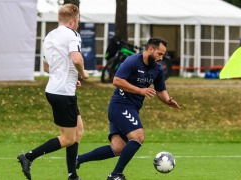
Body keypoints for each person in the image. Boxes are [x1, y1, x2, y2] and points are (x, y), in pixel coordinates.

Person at [75, 37, 180, 180]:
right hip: (120, 105)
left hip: (131, 109)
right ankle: (115, 175)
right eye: (159, 54)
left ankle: (78, 159)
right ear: (150, 50)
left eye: (163, 55)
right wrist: (140, 90)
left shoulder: (158, 69)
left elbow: (160, 90)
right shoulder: (132, 61)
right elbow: (116, 81)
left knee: (118, 148)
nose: (161, 58)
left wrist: (167, 100)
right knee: (138, 137)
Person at [17, 4, 88, 180]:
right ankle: (28, 157)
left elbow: (47, 67)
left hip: (57, 89)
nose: (77, 25)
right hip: (63, 93)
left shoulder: (50, 36)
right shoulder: (73, 35)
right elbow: (76, 58)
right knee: (68, 138)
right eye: (77, 21)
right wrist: (83, 73)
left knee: (78, 131)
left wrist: (72, 79)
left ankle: (73, 175)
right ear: (72, 21)